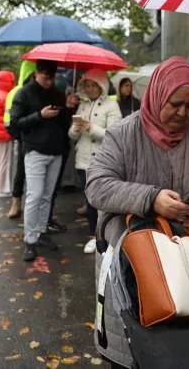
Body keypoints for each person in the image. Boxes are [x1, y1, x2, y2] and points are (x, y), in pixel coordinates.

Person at [86, 57, 189, 368]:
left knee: (186, 348)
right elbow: (98, 186)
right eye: (175, 104)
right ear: (157, 95)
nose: (183, 113)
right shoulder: (122, 134)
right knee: (136, 348)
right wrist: (151, 199)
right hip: (133, 262)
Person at [10, 60, 78, 262]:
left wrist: (68, 107)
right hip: (35, 150)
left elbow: (64, 121)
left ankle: (41, 232)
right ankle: (29, 240)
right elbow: (15, 123)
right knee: (35, 194)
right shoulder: (23, 93)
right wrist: (40, 115)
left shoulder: (57, 92)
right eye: (46, 77)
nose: (49, 81)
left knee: (47, 195)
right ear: (37, 73)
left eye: (52, 77)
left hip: (55, 150)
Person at [68, 69, 121, 254]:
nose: (89, 89)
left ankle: (107, 234)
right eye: (87, 85)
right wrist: (76, 128)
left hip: (102, 160)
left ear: (102, 86)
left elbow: (115, 135)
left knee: (103, 200)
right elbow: (72, 136)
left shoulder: (112, 106)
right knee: (89, 200)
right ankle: (94, 235)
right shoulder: (82, 105)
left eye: (93, 85)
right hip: (83, 160)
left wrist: (91, 127)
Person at [3, 60, 36, 219]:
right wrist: (20, 136)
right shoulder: (16, 92)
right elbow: (8, 120)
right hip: (24, 138)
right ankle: (16, 202)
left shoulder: (44, 91)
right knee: (21, 172)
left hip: (40, 140)